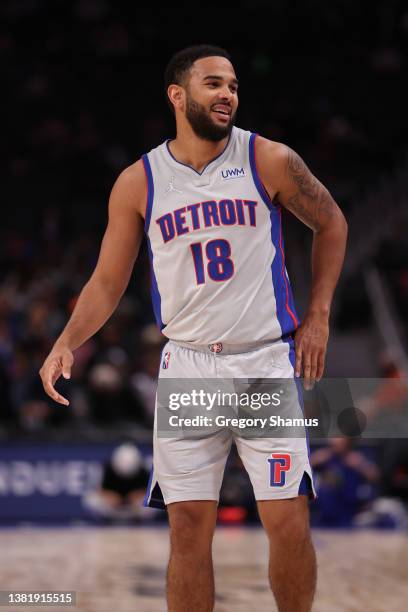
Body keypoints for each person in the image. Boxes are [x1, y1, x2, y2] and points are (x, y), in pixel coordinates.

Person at [39, 45, 348, 612]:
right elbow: (107, 282)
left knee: (287, 518)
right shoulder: (139, 181)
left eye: (232, 84)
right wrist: (66, 341)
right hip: (187, 368)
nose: (227, 93)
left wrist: (320, 314)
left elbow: (332, 223)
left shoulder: (268, 159)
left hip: (262, 363)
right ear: (177, 96)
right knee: (186, 529)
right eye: (213, 83)